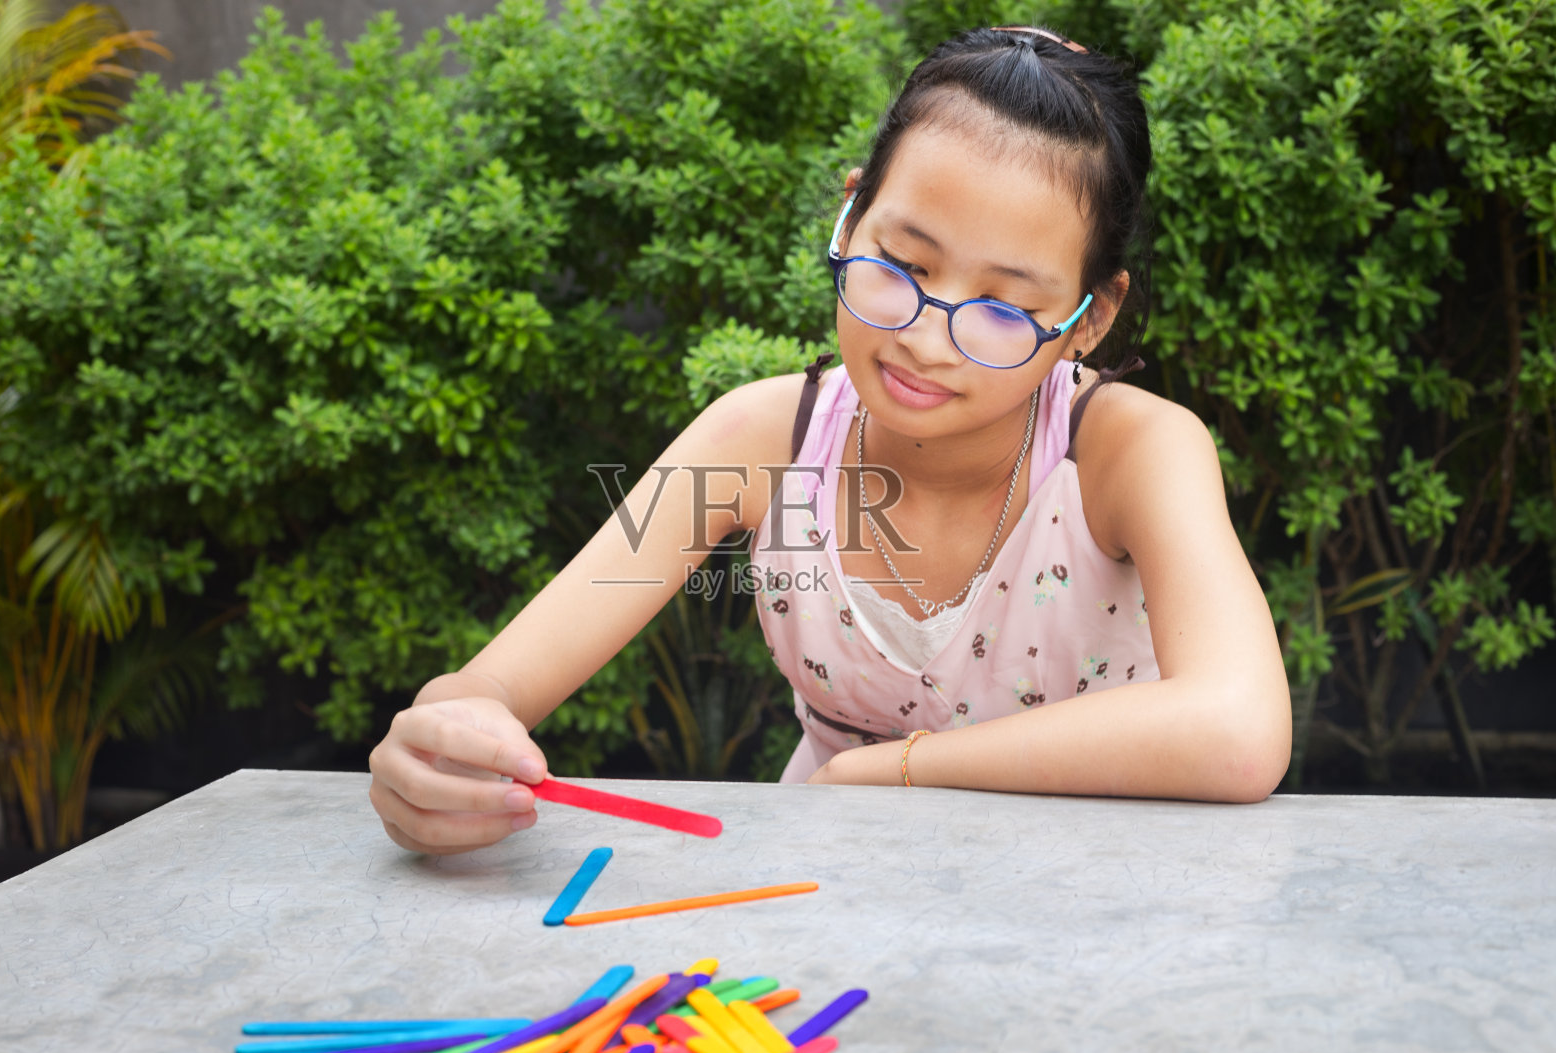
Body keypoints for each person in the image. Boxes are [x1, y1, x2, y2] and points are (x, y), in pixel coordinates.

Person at [368, 26, 1292, 854]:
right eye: (902, 262)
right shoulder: (760, 441)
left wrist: (896, 768)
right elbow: (484, 692)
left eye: (1005, 305)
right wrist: (440, 748)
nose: (927, 337)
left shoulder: (1129, 454)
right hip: (826, 895)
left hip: (1095, 900)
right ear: (850, 216)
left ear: (1090, 317)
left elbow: (1239, 728)